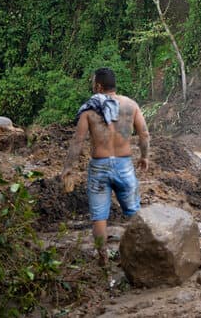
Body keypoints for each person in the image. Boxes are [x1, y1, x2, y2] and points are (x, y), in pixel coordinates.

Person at [61, 67, 149, 264]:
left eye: (94, 83)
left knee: (99, 217)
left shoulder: (89, 110)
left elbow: (77, 140)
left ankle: (103, 259)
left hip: (99, 166)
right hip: (124, 165)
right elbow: (144, 134)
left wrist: (68, 167)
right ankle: (139, 254)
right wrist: (145, 156)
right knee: (134, 212)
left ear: (98, 86)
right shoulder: (130, 105)